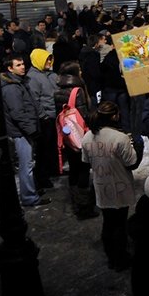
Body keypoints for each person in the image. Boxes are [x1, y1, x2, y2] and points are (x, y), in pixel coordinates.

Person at [81, 101, 140, 271]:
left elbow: (86, 161)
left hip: (101, 185)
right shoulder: (120, 138)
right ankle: (120, 258)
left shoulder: (87, 137)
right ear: (115, 116)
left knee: (108, 222)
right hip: (119, 185)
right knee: (120, 224)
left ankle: (111, 256)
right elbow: (131, 162)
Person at [0, 55, 51, 207]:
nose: (22, 67)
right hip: (21, 132)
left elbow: (32, 104)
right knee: (26, 165)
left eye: (23, 64)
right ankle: (29, 197)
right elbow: (18, 113)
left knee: (29, 163)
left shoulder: (20, 82)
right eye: (18, 65)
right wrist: (31, 130)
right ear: (10, 68)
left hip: (26, 129)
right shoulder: (11, 87)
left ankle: (32, 190)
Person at [54, 61, 97, 220]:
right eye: (79, 69)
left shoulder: (58, 90)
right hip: (80, 136)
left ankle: (75, 201)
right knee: (83, 169)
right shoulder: (77, 91)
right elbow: (84, 115)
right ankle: (84, 206)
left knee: (73, 168)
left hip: (67, 136)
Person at [26, 48, 59, 189]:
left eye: (51, 59)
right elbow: (35, 100)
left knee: (52, 146)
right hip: (45, 118)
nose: (50, 62)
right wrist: (43, 116)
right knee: (43, 149)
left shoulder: (50, 74)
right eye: (47, 59)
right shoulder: (33, 77)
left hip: (54, 115)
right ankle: (42, 176)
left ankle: (53, 170)